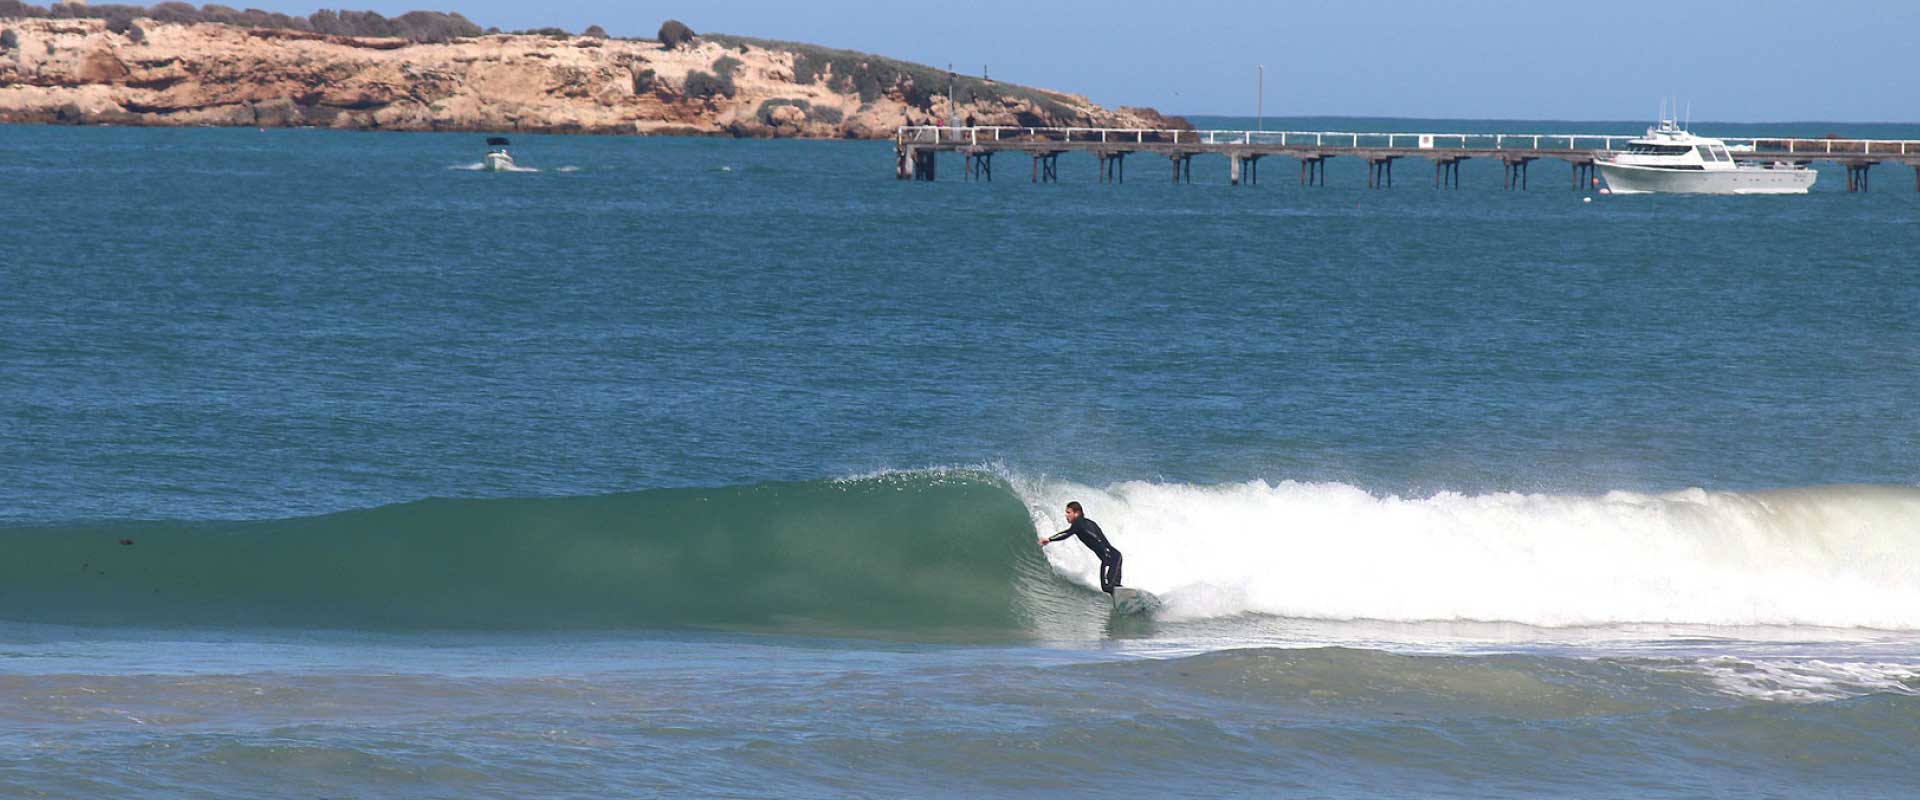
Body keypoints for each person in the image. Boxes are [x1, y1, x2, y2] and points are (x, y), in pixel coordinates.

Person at [1038, 501, 1122, 594]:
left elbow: (1067, 533)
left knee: (1108, 587)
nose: (1066, 515)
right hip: (1114, 556)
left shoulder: (1078, 524)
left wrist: (1049, 539)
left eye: (1068, 512)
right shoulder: (1089, 523)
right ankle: (1126, 599)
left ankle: (1124, 597)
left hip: (1110, 558)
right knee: (1113, 586)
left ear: (1077, 513)